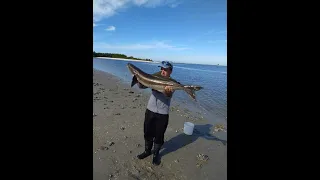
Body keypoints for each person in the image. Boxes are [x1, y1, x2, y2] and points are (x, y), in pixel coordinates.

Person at [136, 61, 179, 165]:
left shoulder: (173, 83)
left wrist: (167, 91)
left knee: (159, 135)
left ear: (170, 71)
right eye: (162, 69)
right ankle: (147, 151)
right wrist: (139, 79)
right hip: (150, 110)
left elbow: (168, 96)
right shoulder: (154, 77)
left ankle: (155, 154)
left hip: (163, 113)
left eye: (165, 69)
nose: (162, 71)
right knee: (147, 132)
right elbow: (141, 87)